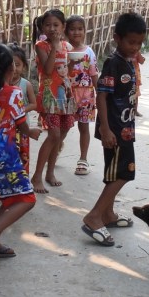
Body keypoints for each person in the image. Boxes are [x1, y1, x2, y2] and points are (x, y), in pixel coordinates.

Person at [0, 43, 43, 266]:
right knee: (28, 199)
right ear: (10, 68)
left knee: (8, 199)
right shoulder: (14, 93)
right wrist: (30, 132)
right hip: (6, 155)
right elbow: (21, 123)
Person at [81, 12, 147, 247]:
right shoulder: (113, 63)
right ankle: (94, 216)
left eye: (139, 43)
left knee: (113, 172)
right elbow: (101, 97)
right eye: (131, 42)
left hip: (124, 128)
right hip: (116, 130)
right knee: (124, 173)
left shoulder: (127, 60)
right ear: (117, 38)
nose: (135, 47)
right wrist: (106, 129)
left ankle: (107, 214)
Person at [31, 9, 75, 193]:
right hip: (49, 96)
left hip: (65, 95)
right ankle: (37, 176)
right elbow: (48, 70)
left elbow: (67, 70)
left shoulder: (67, 46)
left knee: (61, 133)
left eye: (56, 25)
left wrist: (74, 63)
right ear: (42, 27)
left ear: (63, 27)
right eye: (48, 25)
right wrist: (55, 47)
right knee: (53, 135)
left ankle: (50, 173)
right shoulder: (41, 46)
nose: (52, 28)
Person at [65, 15, 98, 176]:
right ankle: (55, 149)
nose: (76, 32)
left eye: (80, 29)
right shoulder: (63, 50)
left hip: (86, 96)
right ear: (66, 31)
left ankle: (83, 159)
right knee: (63, 127)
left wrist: (100, 94)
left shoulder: (88, 51)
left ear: (85, 31)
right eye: (72, 29)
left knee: (83, 127)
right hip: (67, 96)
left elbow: (94, 74)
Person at [8, 43, 37, 174]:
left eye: (17, 64)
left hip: (23, 128)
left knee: (23, 155)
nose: (13, 69)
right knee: (8, 154)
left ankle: (24, 178)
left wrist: (20, 111)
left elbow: (33, 104)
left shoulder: (26, 85)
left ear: (24, 66)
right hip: (6, 129)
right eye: (10, 65)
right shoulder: (1, 84)